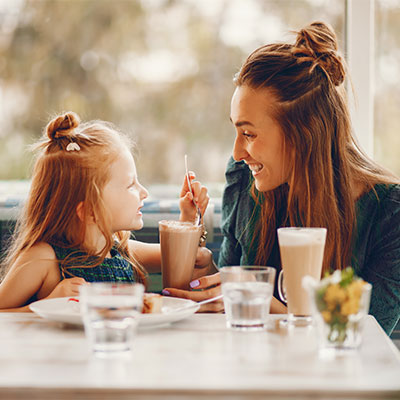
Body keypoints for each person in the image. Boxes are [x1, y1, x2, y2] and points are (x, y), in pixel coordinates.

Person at [165, 21, 400, 335]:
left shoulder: (389, 216)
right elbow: (235, 301)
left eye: (248, 133)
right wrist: (207, 274)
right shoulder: (246, 183)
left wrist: (256, 294)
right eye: (235, 131)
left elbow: (363, 336)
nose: (237, 153)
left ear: (303, 135)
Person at [0, 111, 212, 311]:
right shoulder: (43, 258)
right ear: (90, 210)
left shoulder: (121, 251)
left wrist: (189, 217)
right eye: (131, 185)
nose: (144, 192)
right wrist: (46, 304)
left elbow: (184, 258)